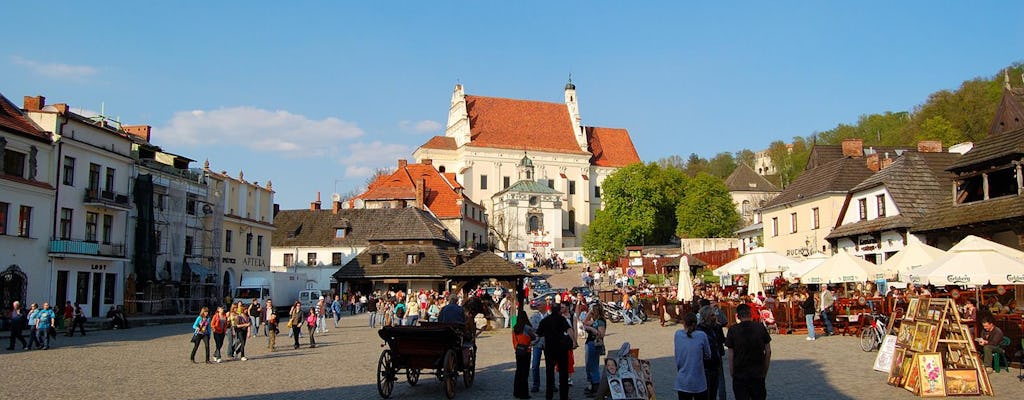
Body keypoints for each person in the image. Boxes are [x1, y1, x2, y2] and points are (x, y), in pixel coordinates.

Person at [725, 304, 772, 400]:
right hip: (757, 372)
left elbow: (730, 354)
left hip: (740, 372)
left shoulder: (733, 330)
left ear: (737, 316)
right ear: (750, 314)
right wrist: (765, 370)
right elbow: (768, 351)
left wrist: (732, 371)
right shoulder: (760, 327)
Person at [536, 303, 572, 400]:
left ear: (550, 310)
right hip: (561, 348)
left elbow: (538, 333)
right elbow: (569, 330)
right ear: (559, 310)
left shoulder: (545, 320)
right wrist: (574, 341)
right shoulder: (562, 319)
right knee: (563, 374)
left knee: (550, 373)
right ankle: (564, 396)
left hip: (550, 349)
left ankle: (549, 396)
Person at [674, 312, 711, 399]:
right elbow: (708, 354)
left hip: (682, 380)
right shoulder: (702, 336)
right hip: (699, 380)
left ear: (684, 323)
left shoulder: (678, 334)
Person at [698, 308, 727, 400]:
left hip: (716, 361)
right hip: (704, 364)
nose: (714, 317)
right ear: (706, 317)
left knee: (714, 389)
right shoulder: (699, 330)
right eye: (712, 315)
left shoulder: (717, 327)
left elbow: (722, 340)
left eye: (714, 315)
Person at [582, 303, 607, 398]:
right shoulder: (595, 320)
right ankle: (592, 386)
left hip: (595, 344)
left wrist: (591, 329)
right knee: (589, 365)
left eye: (592, 310)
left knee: (593, 366)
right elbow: (584, 322)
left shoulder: (600, 321)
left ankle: (596, 387)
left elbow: (601, 334)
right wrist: (589, 312)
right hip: (590, 343)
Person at [513, 309, 537, 399]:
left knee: (518, 371)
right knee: (525, 373)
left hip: (518, 351)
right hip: (526, 351)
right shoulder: (527, 328)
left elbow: (514, 341)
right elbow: (535, 338)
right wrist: (531, 344)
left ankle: (517, 391)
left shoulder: (515, 328)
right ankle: (524, 393)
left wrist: (516, 347)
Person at [529, 304, 551, 393]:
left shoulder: (550, 317)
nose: (538, 306)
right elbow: (532, 328)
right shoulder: (534, 316)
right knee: (535, 365)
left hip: (548, 343)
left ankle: (551, 384)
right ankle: (535, 384)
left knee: (550, 365)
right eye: (537, 305)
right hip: (537, 343)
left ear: (545, 306)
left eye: (540, 305)